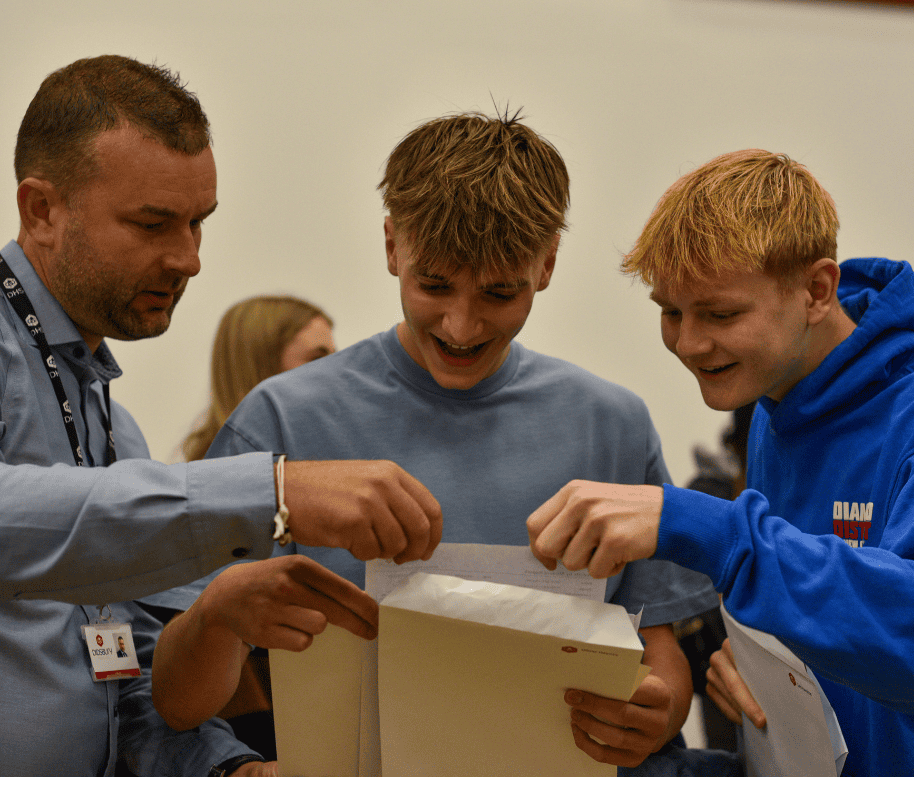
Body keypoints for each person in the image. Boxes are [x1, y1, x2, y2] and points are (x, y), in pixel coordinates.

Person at [152, 110, 720, 775]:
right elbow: (172, 699)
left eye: (500, 292)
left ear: (547, 266)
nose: (460, 324)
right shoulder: (278, 423)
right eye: (433, 286)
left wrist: (657, 711)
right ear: (392, 246)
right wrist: (219, 616)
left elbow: (658, 646)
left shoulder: (611, 425)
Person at [2, 54, 441, 776]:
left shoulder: (117, 429)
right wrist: (269, 492)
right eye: (152, 224)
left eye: (198, 224)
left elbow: (129, 684)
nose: (189, 258)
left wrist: (226, 768)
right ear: (41, 210)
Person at [527, 149, 914, 776]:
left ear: (817, 290)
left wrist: (709, 531)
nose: (689, 344)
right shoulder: (777, 400)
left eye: (721, 314)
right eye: (670, 312)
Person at [147, 294, 337, 761]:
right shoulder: (192, 500)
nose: (339, 378)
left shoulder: (322, 484)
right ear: (262, 369)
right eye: (319, 359)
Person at [181, 295, 336, 462]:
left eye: (337, 359)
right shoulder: (216, 478)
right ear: (260, 367)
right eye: (317, 359)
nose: (336, 373)